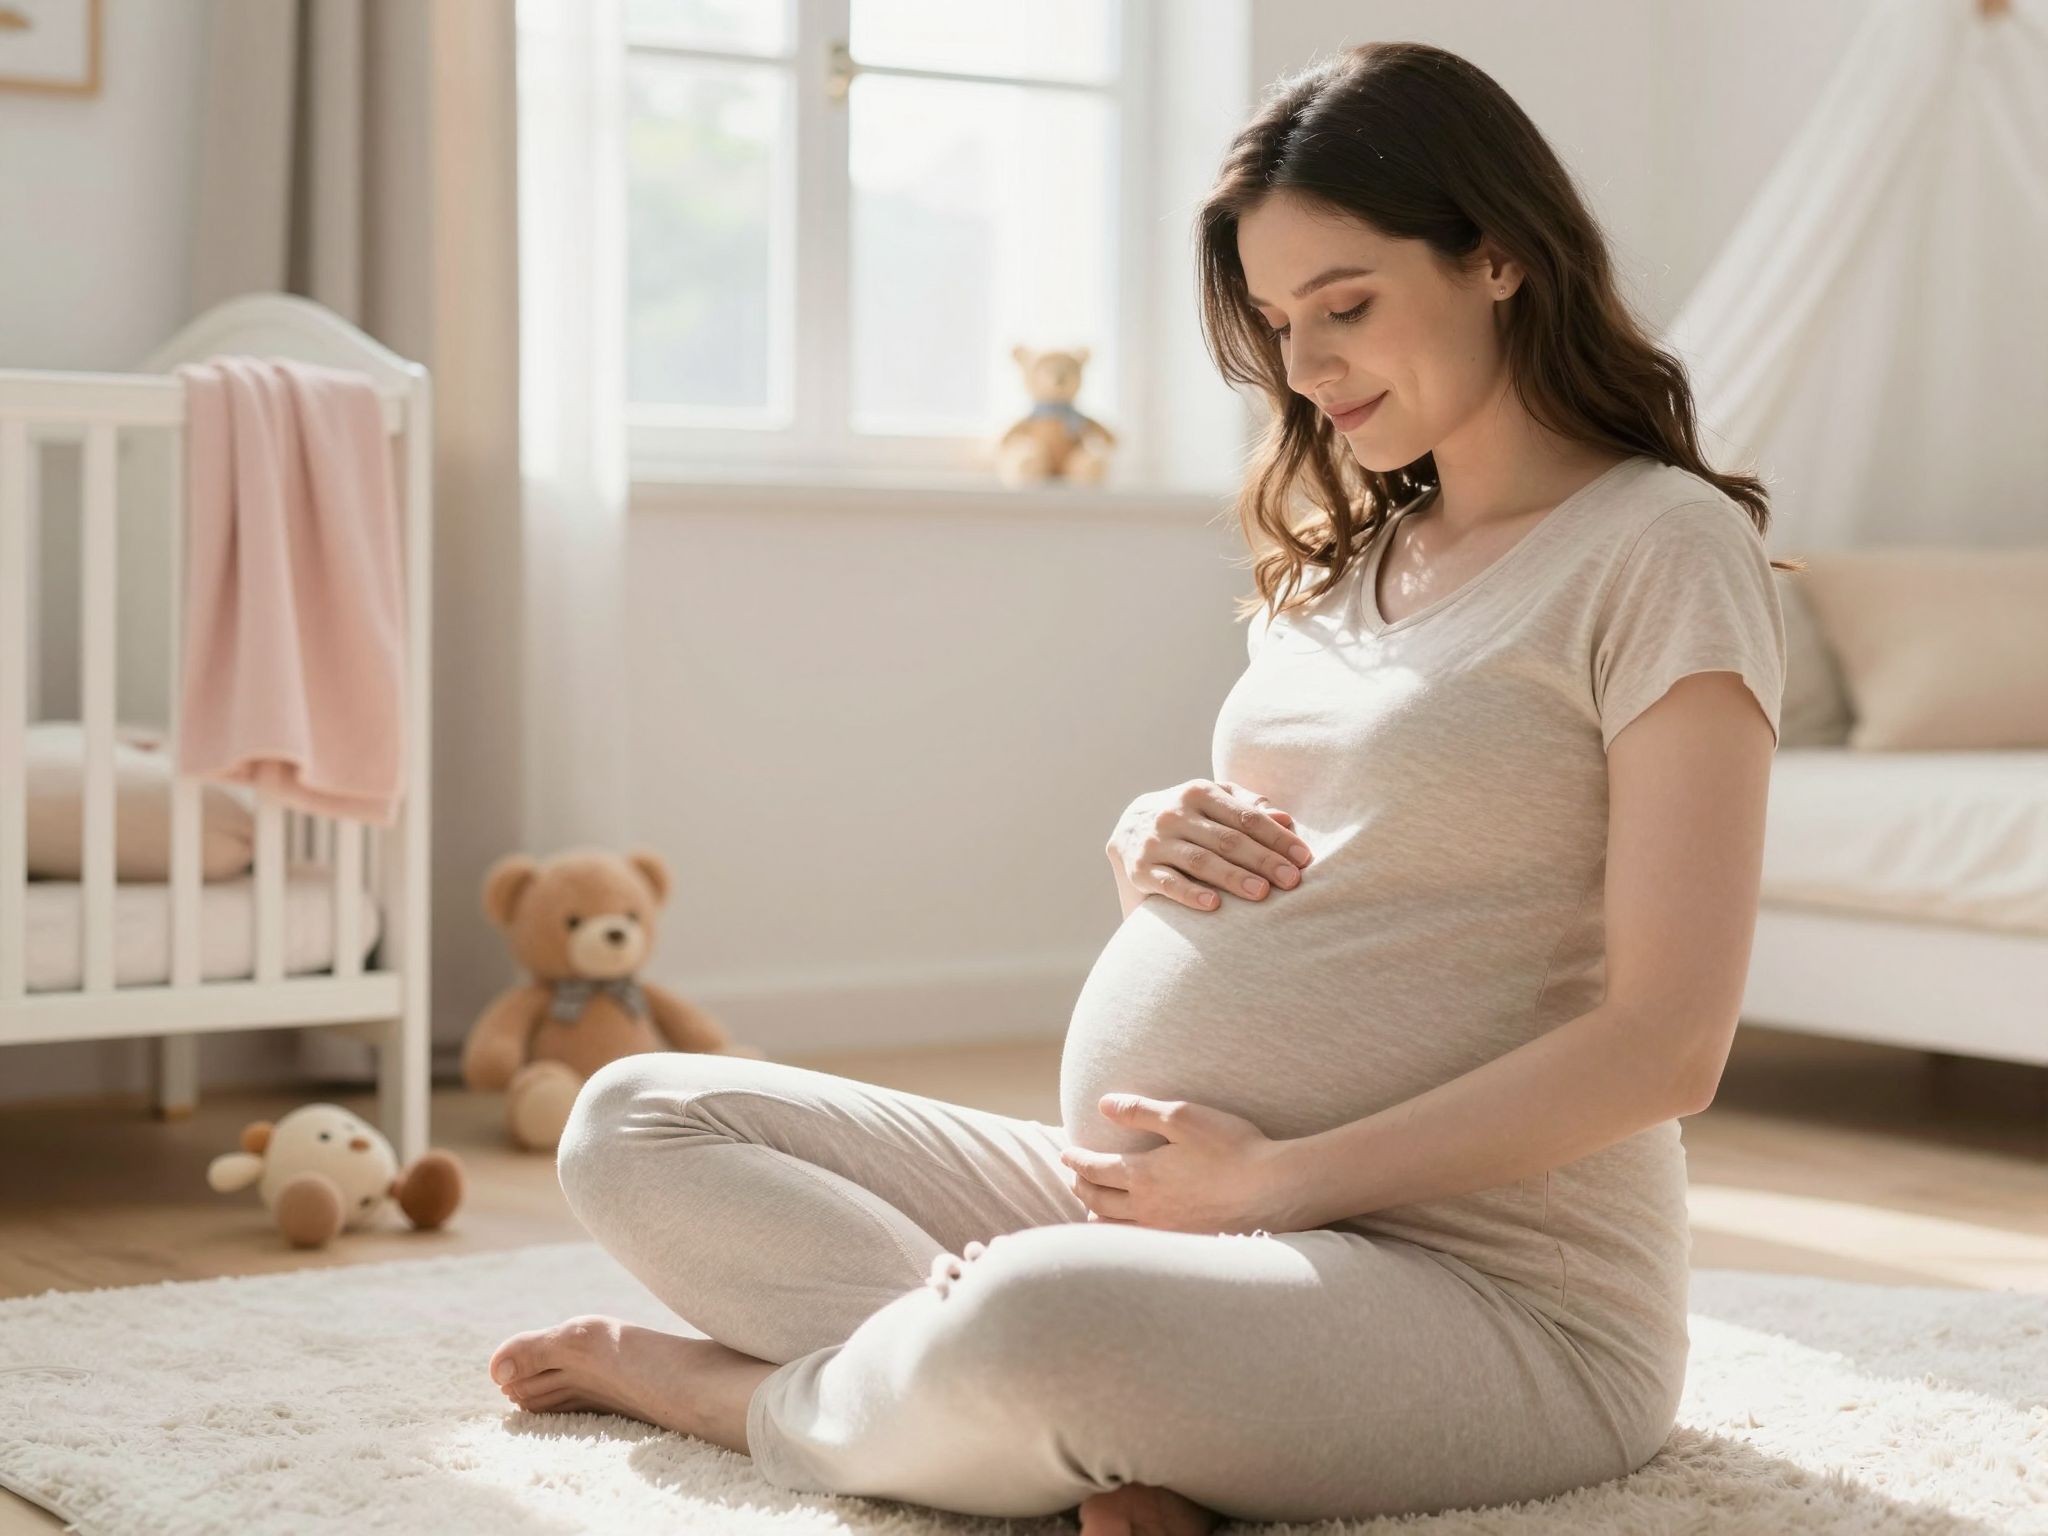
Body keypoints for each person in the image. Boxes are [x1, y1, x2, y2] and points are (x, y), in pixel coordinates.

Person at [485, 38, 1791, 1533]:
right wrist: (1148, 846)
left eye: (1347, 305)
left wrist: (1279, 1186)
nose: (1303, 369)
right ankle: (1051, 1425)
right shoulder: (1360, 556)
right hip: (1176, 1210)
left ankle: (755, 1398)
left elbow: (1668, 1046)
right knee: (640, 1118)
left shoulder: (1663, 550)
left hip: (1486, 1296)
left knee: (1043, 1316)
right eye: (1278, 320)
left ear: (1498, 256)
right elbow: (1358, 856)